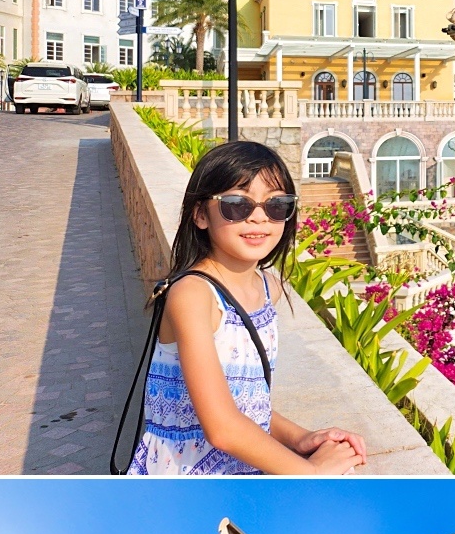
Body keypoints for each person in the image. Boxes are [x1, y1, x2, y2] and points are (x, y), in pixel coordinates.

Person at [127, 141, 366, 475]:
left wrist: (303, 439)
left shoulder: (270, 287)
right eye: (237, 205)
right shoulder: (193, 294)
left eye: (276, 205)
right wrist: (312, 472)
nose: (258, 218)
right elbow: (223, 427)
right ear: (200, 214)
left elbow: (249, 405)